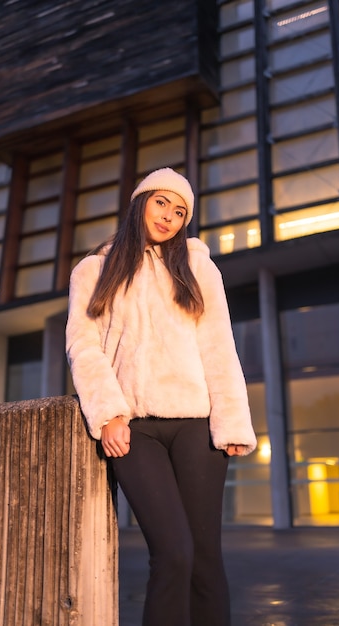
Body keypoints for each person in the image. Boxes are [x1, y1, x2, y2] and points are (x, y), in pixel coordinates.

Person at [66, 167, 257, 626]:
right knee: (173, 553)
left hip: (197, 426)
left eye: (180, 212)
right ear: (140, 203)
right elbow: (82, 345)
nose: (169, 217)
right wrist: (108, 413)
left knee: (206, 560)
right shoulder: (95, 269)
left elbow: (218, 346)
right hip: (135, 429)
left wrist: (231, 422)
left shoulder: (197, 267)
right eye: (161, 204)